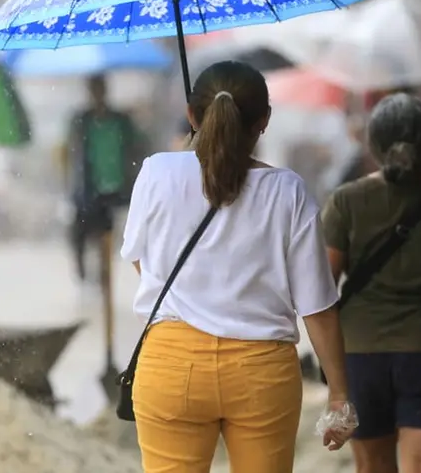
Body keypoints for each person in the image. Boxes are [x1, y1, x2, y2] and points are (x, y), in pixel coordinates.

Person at [121, 61, 354, 473]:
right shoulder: (289, 191)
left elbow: (143, 261)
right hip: (262, 375)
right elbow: (317, 305)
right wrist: (338, 392)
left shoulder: (156, 172)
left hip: (172, 367)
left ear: (192, 115)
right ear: (263, 121)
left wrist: (192, 295)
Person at [322, 93, 421, 473]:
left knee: (374, 468)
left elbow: (322, 291)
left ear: (373, 144)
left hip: (361, 355)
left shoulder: (346, 202)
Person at [64, 74, 144, 283]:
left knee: (106, 238)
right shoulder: (81, 120)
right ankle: (84, 277)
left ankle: (104, 281)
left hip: (114, 188)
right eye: (93, 89)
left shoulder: (121, 120)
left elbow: (135, 148)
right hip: (87, 189)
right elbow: (71, 154)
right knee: (79, 235)